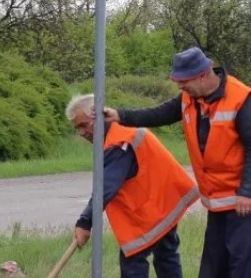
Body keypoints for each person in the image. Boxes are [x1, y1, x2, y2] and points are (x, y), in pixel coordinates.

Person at [101, 47, 251, 278]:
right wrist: (120, 115)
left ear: (202, 75)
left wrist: (247, 191)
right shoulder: (190, 97)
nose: (180, 87)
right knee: (213, 267)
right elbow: (159, 114)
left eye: (183, 81)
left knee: (241, 267)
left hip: (245, 199)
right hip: (218, 198)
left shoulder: (241, 98)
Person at [67, 94, 198, 278]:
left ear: (98, 116)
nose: (81, 132)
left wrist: (85, 222)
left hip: (154, 209)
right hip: (162, 206)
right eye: (77, 128)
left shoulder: (119, 141)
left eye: (83, 125)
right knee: (166, 257)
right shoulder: (119, 132)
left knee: (134, 260)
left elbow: (105, 187)